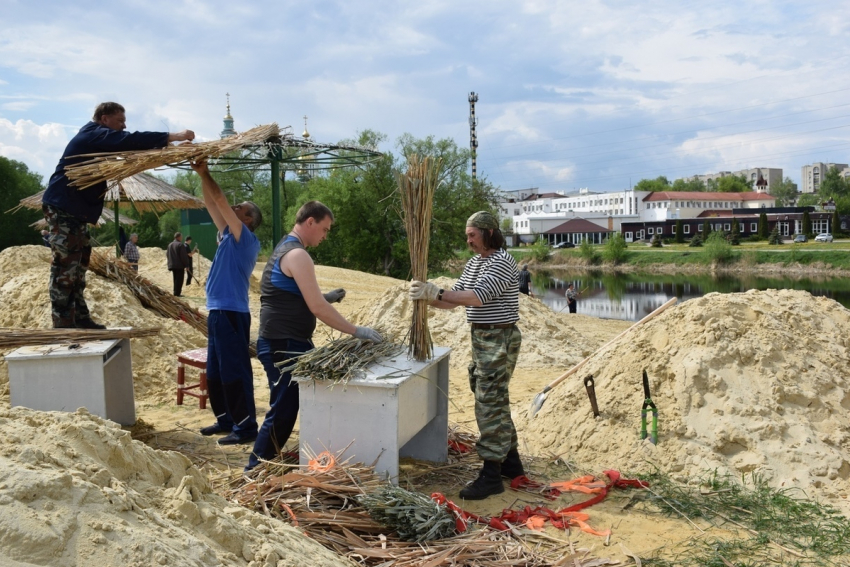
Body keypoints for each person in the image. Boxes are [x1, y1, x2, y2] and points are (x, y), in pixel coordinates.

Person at [247, 201, 383, 471]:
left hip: (286, 341)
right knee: (283, 408)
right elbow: (317, 307)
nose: (325, 236)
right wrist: (358, 331)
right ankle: (255, 468)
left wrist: (328, 296)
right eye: (324, 229)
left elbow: (299, 294)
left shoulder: (287, 248)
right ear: (309, 222)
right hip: (282, 343)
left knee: (289, 405)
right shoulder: (297, 255)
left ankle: (265, 463)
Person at [41, 101, 194, 328]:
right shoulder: (94, 135)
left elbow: (130, 149)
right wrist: (172, 136)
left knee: (79, 266)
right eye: (120, 121)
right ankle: (63, 322)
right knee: (65, 266)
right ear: (104, 119)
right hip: (63, 208)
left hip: (74, 212)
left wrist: (166, 151)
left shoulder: (99, 141)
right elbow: (129, 140)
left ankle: (79, 317)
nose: (124, 126)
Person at [409, 211, 522, 500]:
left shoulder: (502, 263)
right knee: (493, 397)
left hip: (499, 336)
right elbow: (454, 300)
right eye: (467, 235)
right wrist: (427, 298)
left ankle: (491, 475)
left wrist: (437, 291)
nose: (468, 240)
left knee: (489, 402)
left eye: (472, 234)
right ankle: (511, 463)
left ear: (488, 233)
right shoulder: (475, 263)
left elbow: (476, 297)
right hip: (482, 336)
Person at [192, 159, 263, 446]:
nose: (233, 209)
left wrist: (205, 172)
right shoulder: (226, 237)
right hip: (219, 311)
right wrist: (201, 176)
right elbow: (212, 203)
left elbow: (219, 199)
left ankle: (246, 428)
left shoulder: (245, 239)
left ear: (247, 221)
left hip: (232, 313)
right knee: (216, 371)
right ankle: (226, 420)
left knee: (235, 370)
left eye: (240, 209)